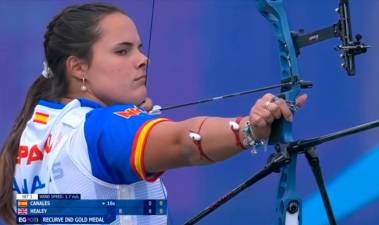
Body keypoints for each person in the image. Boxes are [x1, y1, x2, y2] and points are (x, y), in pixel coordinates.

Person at [0, 3, 306, 225]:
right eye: (122, 51)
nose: (142, 59)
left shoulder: (39, 128)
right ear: (78, 68)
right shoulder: (100, 128)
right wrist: (248, 129)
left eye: (139, 48)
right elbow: (181, 143)